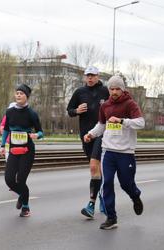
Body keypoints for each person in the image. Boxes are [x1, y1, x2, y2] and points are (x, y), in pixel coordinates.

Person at [84, 75, 144, 230]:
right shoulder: (105, 106)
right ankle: (111, 218)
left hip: (125, 152)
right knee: (107, 183)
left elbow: (141, 123)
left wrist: (122, 121)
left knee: (126, 184)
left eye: (117, 88)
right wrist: (91, 134)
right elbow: (101, 125)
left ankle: (135, 195)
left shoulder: (130, 104)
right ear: (109, 90)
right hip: (108, 151)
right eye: (112, 89)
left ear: (122, 89)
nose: (114, 91)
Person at [67, 66, 109, 218]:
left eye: (92, 75)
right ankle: (103, 196)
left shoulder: (105, 91)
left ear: (98, 76)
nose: (90, 78)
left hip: (102, 134)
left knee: (93, 166)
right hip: (86, 135)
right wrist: (76, 111)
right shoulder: (80, 92)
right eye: (87, 76)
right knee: (96, 170)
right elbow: (69, 110)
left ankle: (91, 204)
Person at [0, 84, 43, 217]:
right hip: (13, 149)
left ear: (27, 96)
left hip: (27, 150)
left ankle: (25, 206)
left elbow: (41, 132)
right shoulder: (10, 112)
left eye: (21, 93)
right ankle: (23, 195)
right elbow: (6, 130)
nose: (18, 95)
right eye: (17, 93)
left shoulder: (32, 113)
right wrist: (2, 146)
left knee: (21, 180)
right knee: (9, 180)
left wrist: (37, 135)